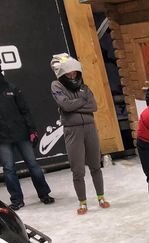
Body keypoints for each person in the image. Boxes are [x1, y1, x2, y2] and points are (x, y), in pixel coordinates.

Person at [50, 53, 110, 215]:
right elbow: (65, 106)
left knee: (95, 165)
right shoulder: (56, 85)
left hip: (90, 128)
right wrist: (81, 102)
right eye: (68, 73)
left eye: (74, 73)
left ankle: (101, 197)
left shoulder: (84, 87)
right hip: (72, 130)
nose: (72, 75)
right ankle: (82, 202)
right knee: (77, 169)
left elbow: (93, 107)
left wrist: (73, 105)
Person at [0, 58, 54, 211]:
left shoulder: (12, 88)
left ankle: (44, 194)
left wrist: (32, 130)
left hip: (22, 134)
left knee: (33, 165)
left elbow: (25, 111)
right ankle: (17, 200)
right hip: (2, 138)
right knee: (9, 169)